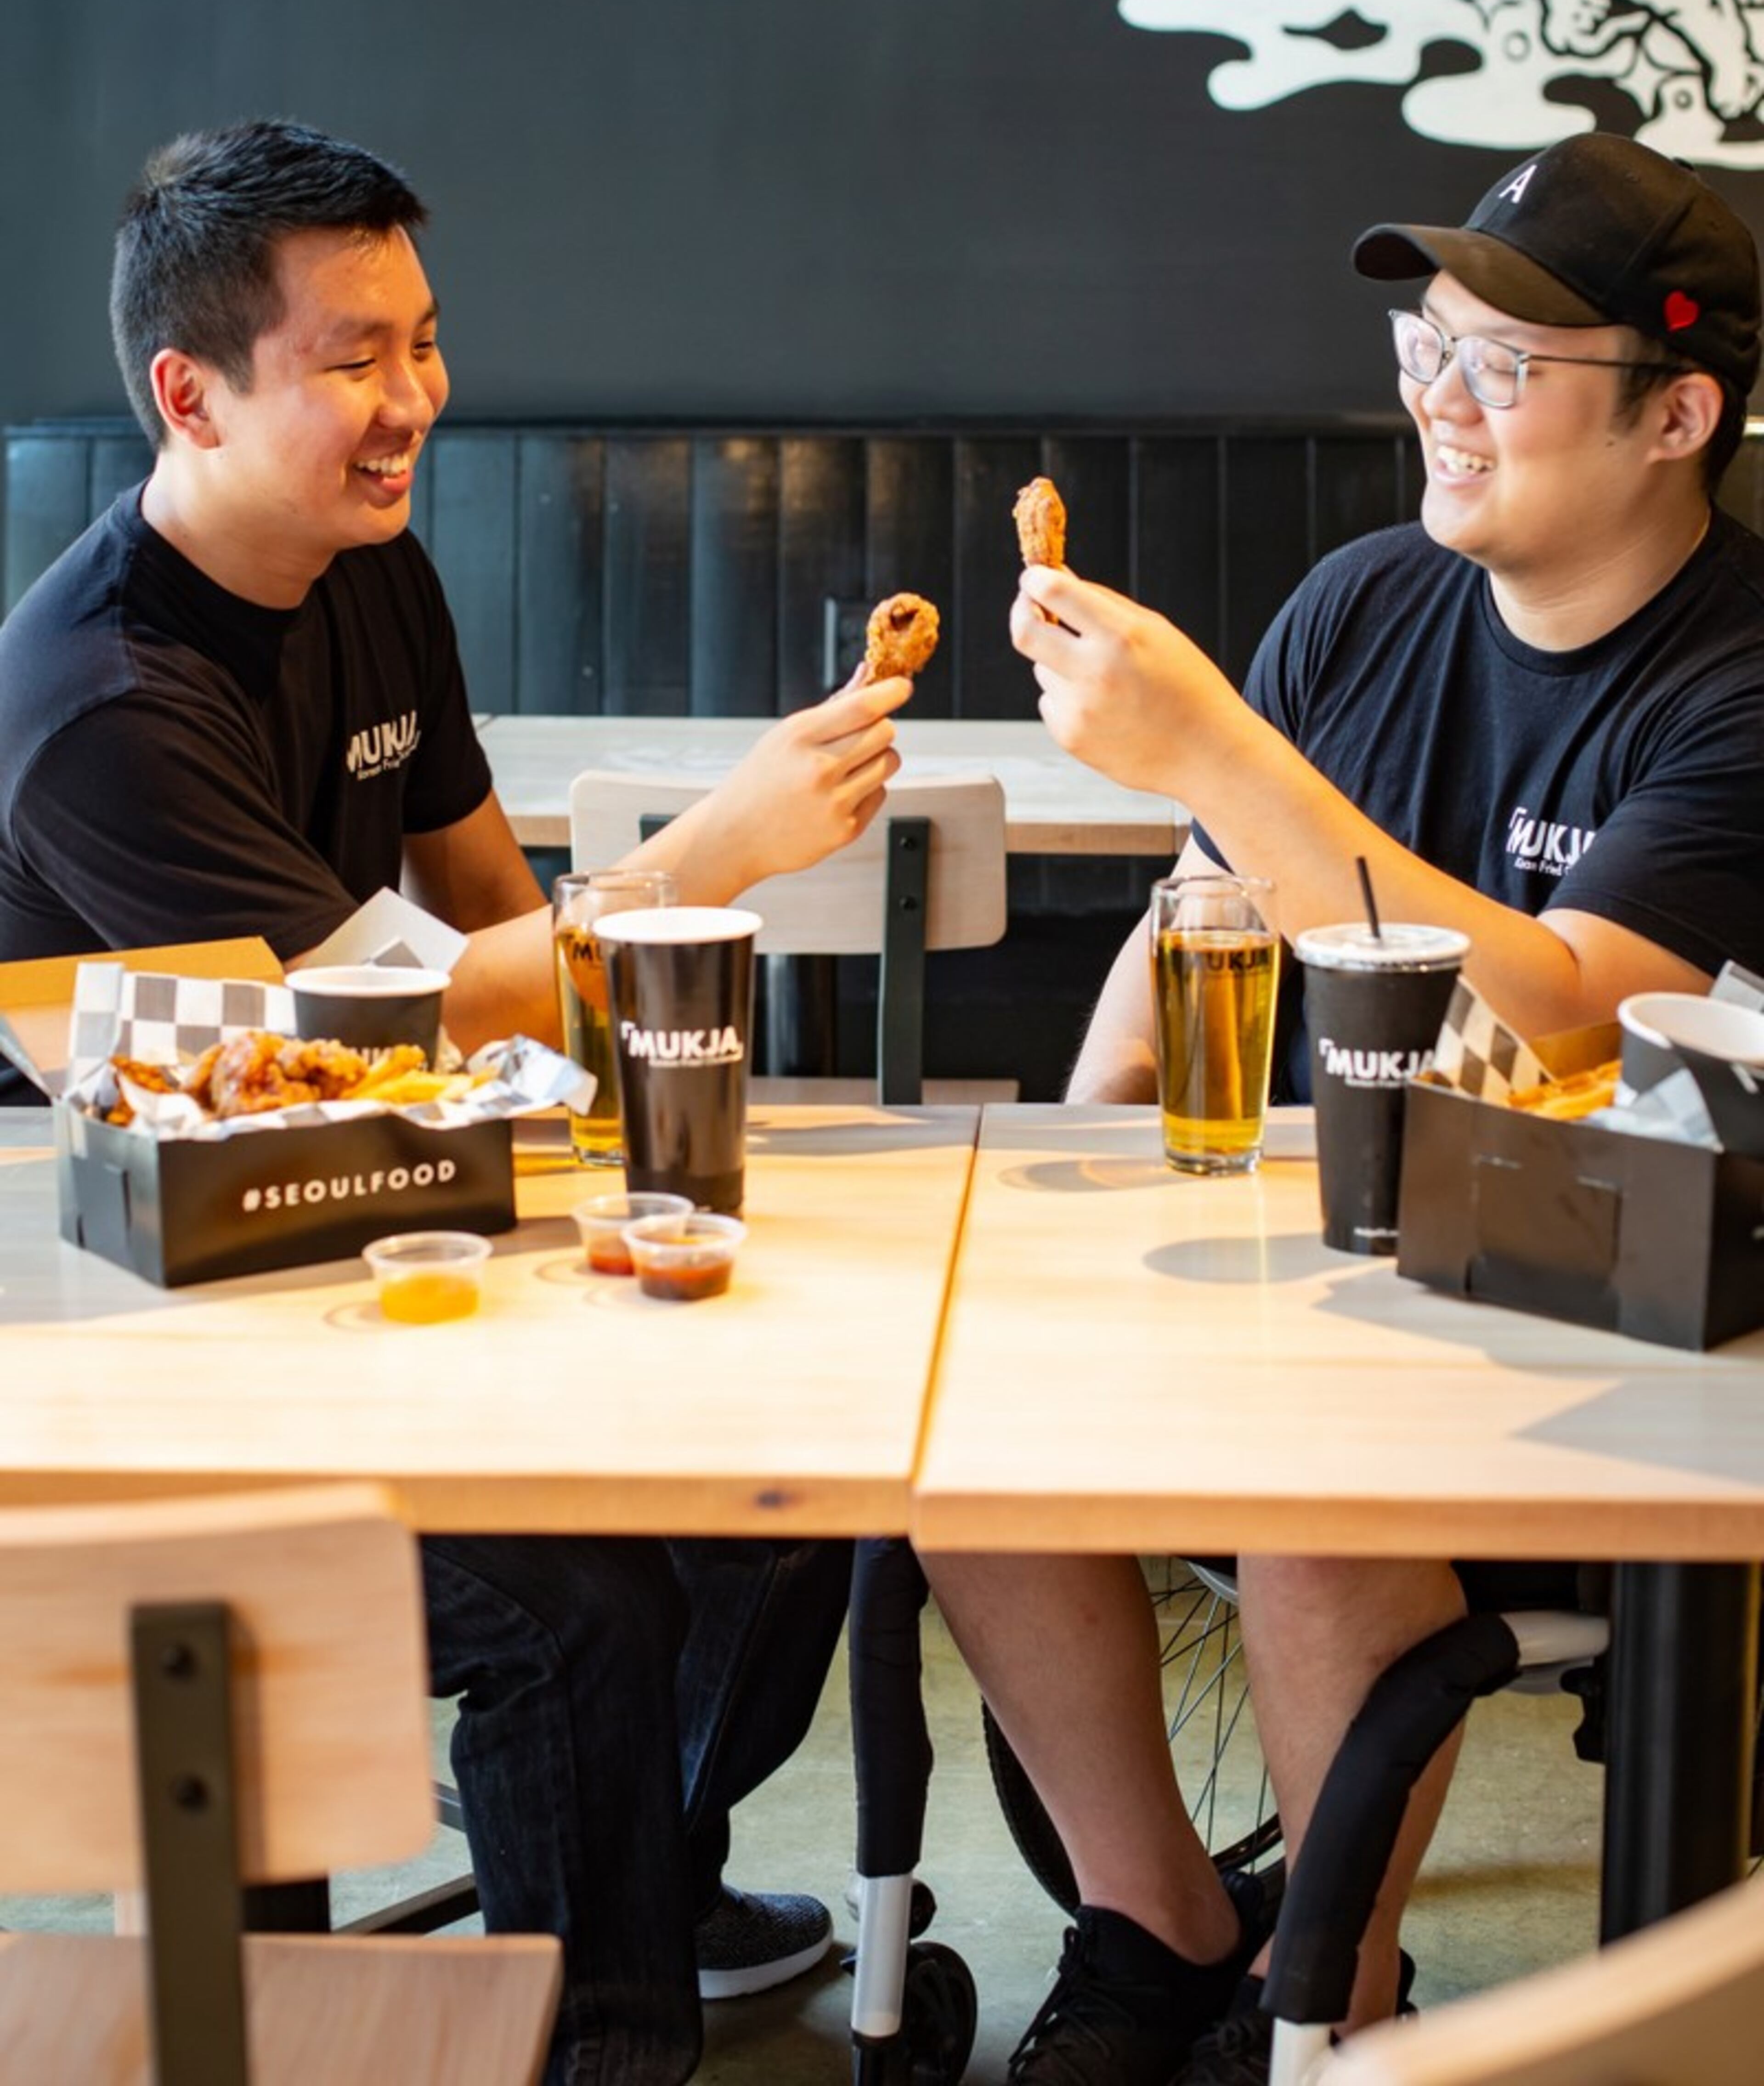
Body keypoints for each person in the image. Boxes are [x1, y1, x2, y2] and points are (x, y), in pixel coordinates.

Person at [0, 118, 915, 2086]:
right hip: (119, 1315)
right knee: (567, 1600)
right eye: (352, 356)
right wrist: (706, 859)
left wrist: (633, 969)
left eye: (423, 340)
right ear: (192, 391)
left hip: (330, 1226)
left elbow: (491, 918)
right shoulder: (97, 705)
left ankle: (623, 1886)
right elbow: (379, 1027)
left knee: (787, 1482)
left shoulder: (366, 564)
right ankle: (609, 2040)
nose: (413, 397)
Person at [922, 131, 1764, 2086]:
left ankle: (1332, 2003)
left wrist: (1211, 735)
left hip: (1608, 1354)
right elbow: (1194, 919)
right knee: (959, 1418)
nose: (1435, 404)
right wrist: (1070, 1161)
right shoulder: (1364, 605)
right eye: (1424, 345)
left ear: (1680, 413)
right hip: (1321, 1276)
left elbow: (1558, 1022)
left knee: (1316, 1494)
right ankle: (1156, 1928)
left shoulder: (1736, 685)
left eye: (1500, 369)